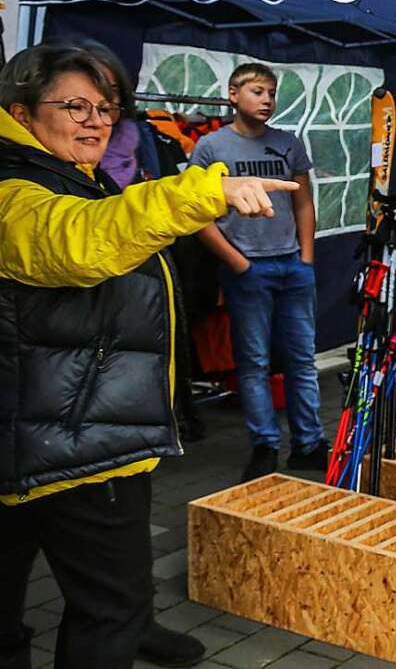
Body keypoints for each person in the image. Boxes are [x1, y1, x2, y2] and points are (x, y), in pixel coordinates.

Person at [0, 44, 296, 669]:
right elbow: (76, 242)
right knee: (107, 609)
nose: (94, 120)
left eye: (104, 108)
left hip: (50, 425)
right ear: (22, 113)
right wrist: (199, 193)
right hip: (74, 441)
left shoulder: (69, 171)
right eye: (74, 105)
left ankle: (138, 624)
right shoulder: (14, 187)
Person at [189, 62, 325, 482]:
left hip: (292, 267)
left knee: (303, 359)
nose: (267, 100)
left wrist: (305, 256)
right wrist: (237, 261)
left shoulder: (288, 143)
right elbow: (194, 213)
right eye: (257, 92)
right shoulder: (211, 148)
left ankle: (309, 444)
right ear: (233, 95)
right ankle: (264, 445)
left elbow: (303, 200)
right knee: (253, 361)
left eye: (271, 93)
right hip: (248, 270)